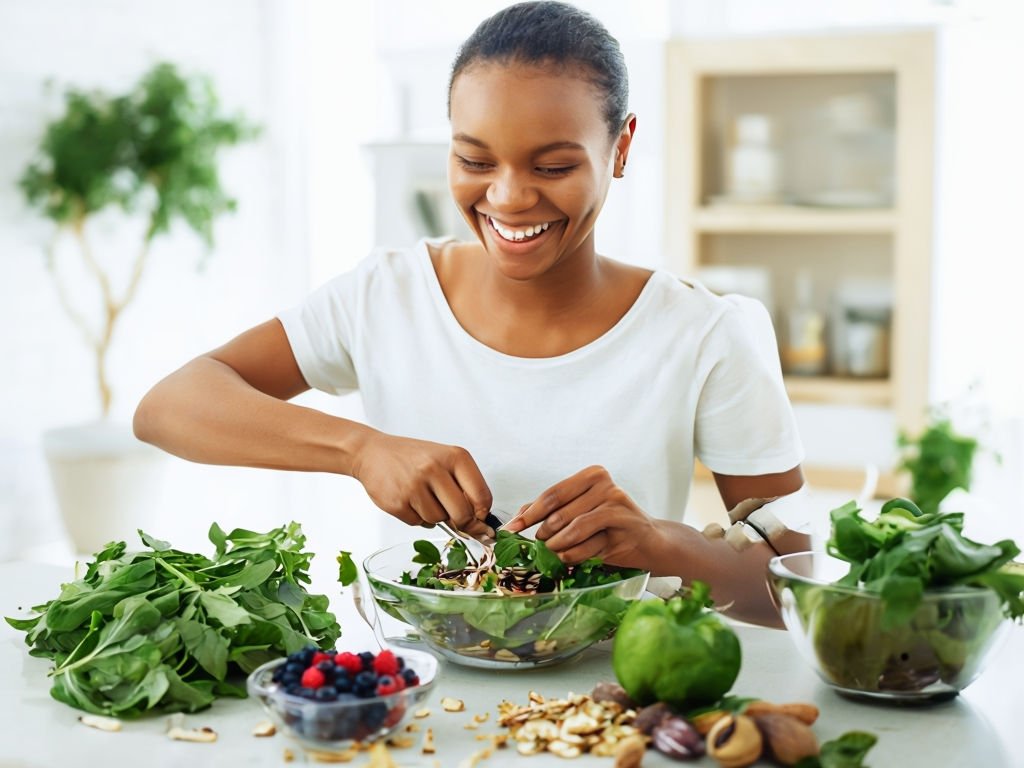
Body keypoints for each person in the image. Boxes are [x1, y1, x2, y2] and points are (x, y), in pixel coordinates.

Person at [134, 0, 807, 627]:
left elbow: (799, 591)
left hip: (617, 708)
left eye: (553, 166)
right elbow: (168, 407)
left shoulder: (705, 334)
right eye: (474, 159)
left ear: (621, 149)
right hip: (417, 711)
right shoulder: (386, 296)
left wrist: (661, 544)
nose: (509, 198)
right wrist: (360, 450)